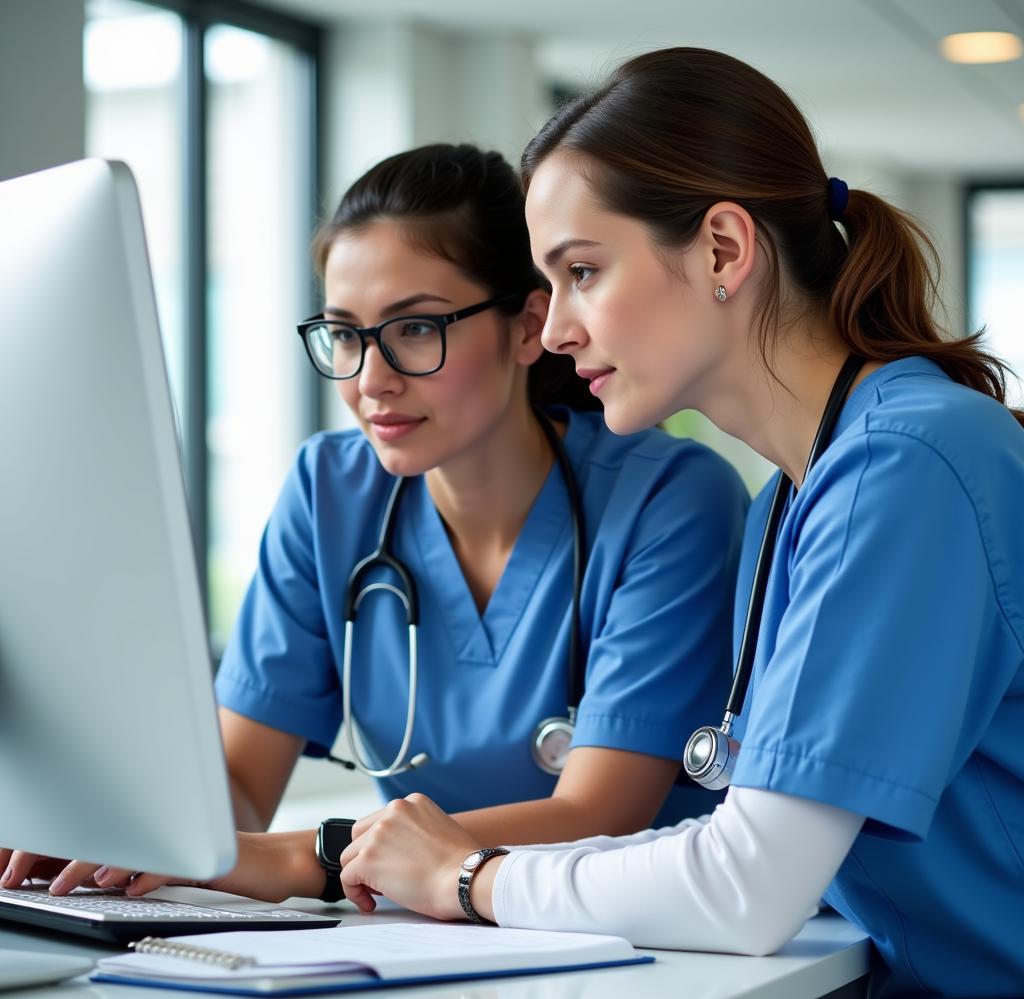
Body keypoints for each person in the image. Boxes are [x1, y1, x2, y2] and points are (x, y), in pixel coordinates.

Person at [125, 50, 1024, 999]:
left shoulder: (903, 463)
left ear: (723, 250)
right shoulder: (798, 497)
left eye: (582, 272)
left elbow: (745, 881)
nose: (553, 332)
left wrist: (463, 876)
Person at [0, 143, 749, 896]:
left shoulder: (673, 501)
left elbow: (600, 813)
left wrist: (310, 857)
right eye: (346, 335)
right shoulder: (330, 492)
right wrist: (111, 833)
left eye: (416, 329)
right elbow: (234, 787)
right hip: (417, 933)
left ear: (527, 327)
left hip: (639, 946)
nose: (371, 380)